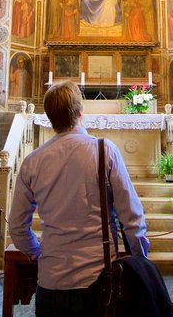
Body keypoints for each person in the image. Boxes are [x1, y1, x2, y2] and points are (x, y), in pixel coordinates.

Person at [9, 81, 149, 317]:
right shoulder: (105, 151)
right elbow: (131, 217)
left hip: (50, 280)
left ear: (50, 118)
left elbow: (16, 225)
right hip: (98, 278)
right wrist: (140, 259)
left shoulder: (32, 162)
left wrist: (37, 253)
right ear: (80, 113)